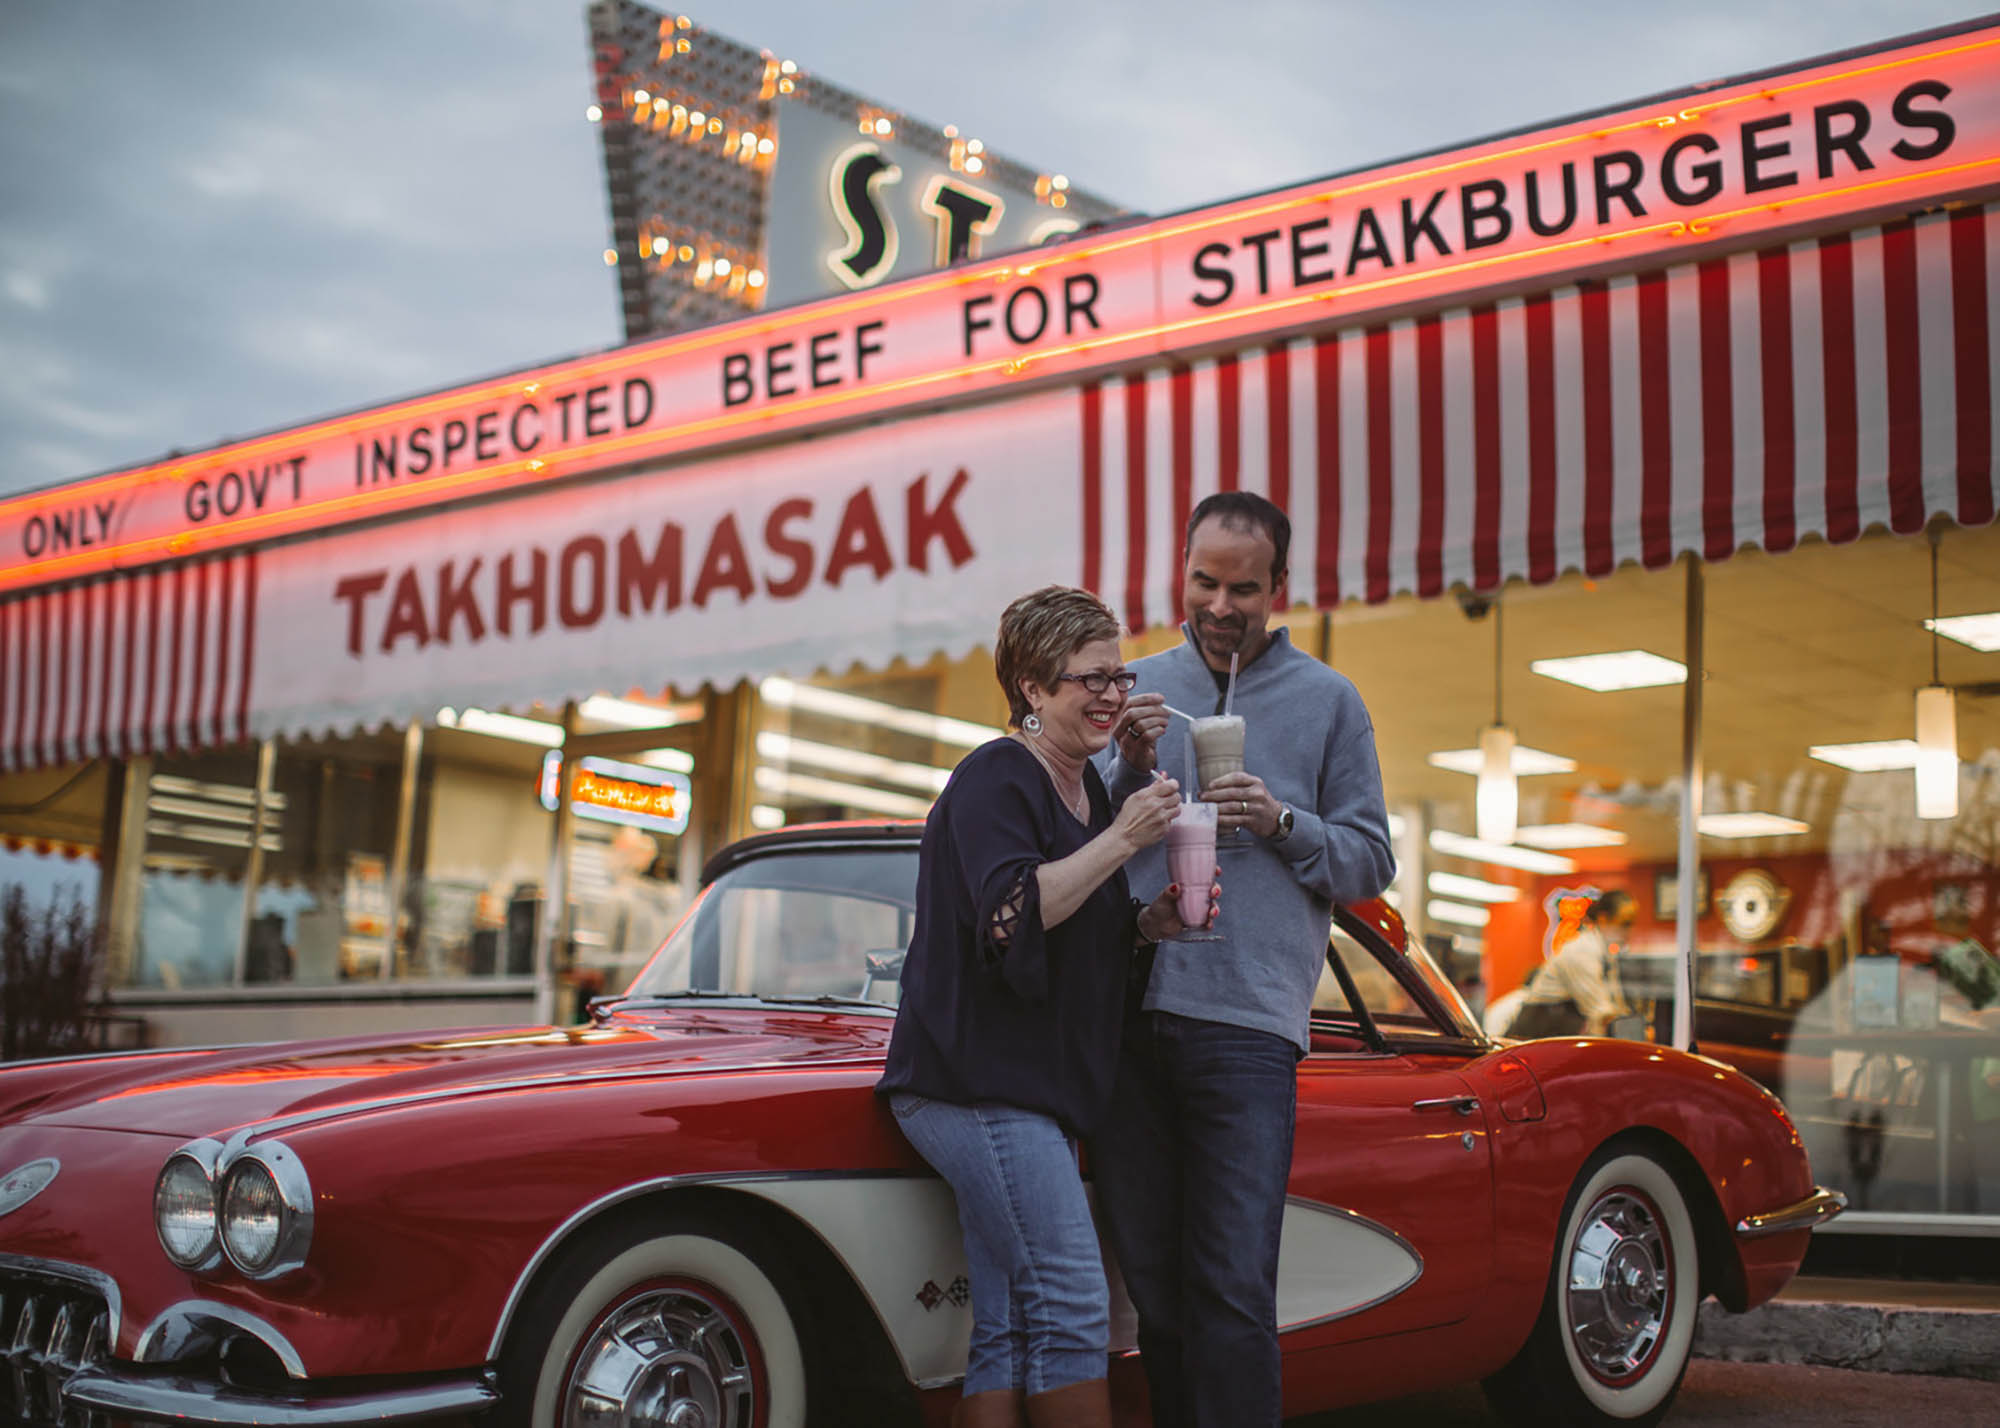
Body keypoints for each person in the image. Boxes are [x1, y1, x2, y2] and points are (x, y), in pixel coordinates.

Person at [878, 585, 1213, 1428]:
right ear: (1032, 686)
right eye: (1089, 679)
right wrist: (1125, 840)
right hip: (976, 1084)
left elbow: (1070, 934)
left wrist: (1147, 923)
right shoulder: (997, 774)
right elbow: (1011, 917)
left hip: (1012, 1086)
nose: (1112, 695)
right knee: (1071, 1298)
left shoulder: (1084, 791)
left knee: (1008, 1325)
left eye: (1120, 676)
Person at [1094, 492, 1395, 1428]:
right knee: (1156, 1290)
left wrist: (1284, 823)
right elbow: (1078, 838)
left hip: (1249, 1027)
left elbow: (1371, 860)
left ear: (1280, 588)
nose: (1222, 605)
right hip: (1131, 1018)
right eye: (1205, 581)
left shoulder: (1327, 702)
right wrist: (1128, 764)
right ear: (1180, 569)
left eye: (1244, 588)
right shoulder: (1134, 688)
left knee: (1230, 1287)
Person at [1507, 888, 1636, 1039]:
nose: (1629, 931)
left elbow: (1613, 1005)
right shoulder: (1581, 951)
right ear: (1603, 918)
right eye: (1625, 923)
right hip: (1537, 1031)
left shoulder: (1605, 955)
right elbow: (1601, 1010)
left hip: (1558, 1031)